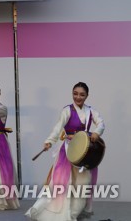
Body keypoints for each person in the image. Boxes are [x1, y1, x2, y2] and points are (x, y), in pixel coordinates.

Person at [26, 82, 105, 221]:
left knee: (82, 184)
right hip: (68, 150)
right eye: (75, 94)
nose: (78, 97)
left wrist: (97, 132)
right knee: (63, 184)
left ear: (87, 95)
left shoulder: (91, 111)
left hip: (85, 152)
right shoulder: (67, 110)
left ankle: (73, 213)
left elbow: (101, 123)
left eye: (82, 94)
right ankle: (61, 212)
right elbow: (58, 127)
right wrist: (50, 141)